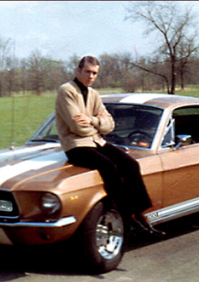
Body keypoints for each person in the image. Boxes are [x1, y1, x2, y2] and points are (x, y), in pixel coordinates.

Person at [54, 56, 164, 236]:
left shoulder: (94, 94)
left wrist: (91, 119)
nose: (91, 76)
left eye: (94, 73)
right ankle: (127, 219)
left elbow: (110, 125)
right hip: (76, 146)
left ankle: (142, 216)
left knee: (131, 165)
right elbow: (77, 128)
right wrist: (98, 124)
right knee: (109, 167)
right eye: (88, 71)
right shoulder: (66, 91)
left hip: (97, 142)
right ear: (78, 70)